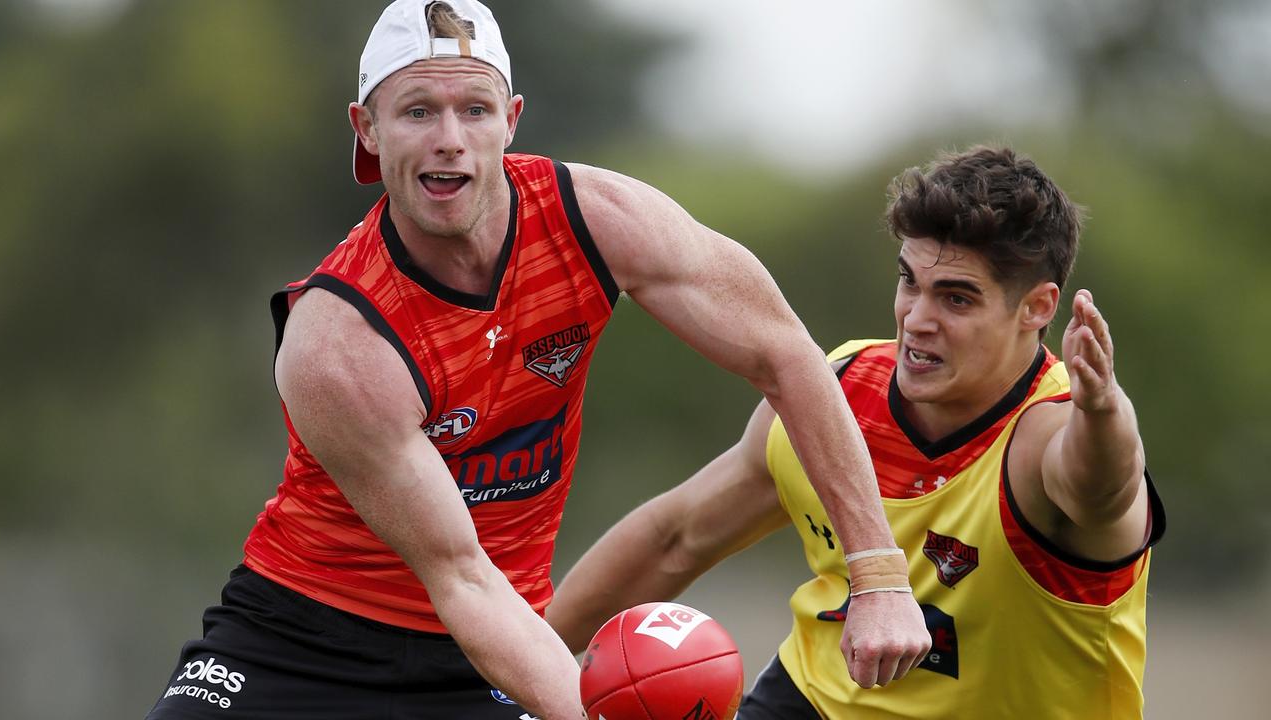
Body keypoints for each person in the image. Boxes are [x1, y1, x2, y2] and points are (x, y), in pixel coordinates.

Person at [144, 2, 929, 718]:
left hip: (492, 651)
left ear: (511, 119)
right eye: (417, 110)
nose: (449, 137)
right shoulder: (336, 338)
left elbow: (788, 359)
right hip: (300, 642)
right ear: (367, 128)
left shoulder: (599, 220)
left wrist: (881, 575)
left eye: (473, 109)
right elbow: (458, 573)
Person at [546, 145, 1166, 719]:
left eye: (956, 299)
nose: (916, 320)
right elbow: (676, 538)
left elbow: (1103, 487)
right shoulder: (836, 390)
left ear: (1036, 308)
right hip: (812, 702)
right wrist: (511, 670)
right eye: (910, 282)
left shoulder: (1052, 435)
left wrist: (1105, 409)